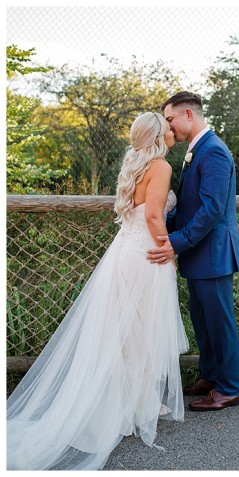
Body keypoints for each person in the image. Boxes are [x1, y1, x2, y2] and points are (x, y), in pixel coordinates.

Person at [6, 112, 188, 470]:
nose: (172, 128)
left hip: (124, 252)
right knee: (140, 330)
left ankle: (135, 401)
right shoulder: (161, 167)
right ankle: (134, 405)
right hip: (147, 253)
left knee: (126, 333)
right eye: (167, 125)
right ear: (156, 134)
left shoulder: (136, 165)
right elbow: (153, 216)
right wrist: (169, 252)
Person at [148, 91, 239, 411]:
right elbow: (190, 206)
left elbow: (211, 210)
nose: (169, 126)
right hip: (199, 253)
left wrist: (174, 242)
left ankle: (229, 387)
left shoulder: (214, 151)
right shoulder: (196, 150)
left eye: (171, 119)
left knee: (219, 321)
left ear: (189, 115)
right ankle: (211, 375)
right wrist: (162, 225)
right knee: (203, 321)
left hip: (213, 253)